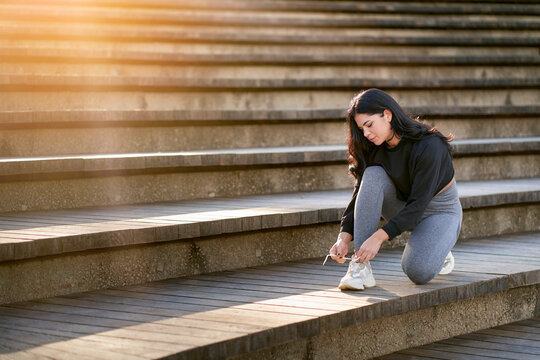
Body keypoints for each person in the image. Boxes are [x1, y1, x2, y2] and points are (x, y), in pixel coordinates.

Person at [328, 88, 462, 290]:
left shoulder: (429, 145)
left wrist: (378, 237)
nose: (366, 134)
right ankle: (360, 267)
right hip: (402, 204)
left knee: (417, 272)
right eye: (361, 129)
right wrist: (343, 238)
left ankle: (438, 246)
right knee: (372, 175)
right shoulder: (373, 147)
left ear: (388, 115)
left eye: (369, 125)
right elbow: (359, 195)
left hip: (440, 211)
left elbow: (418, 205)